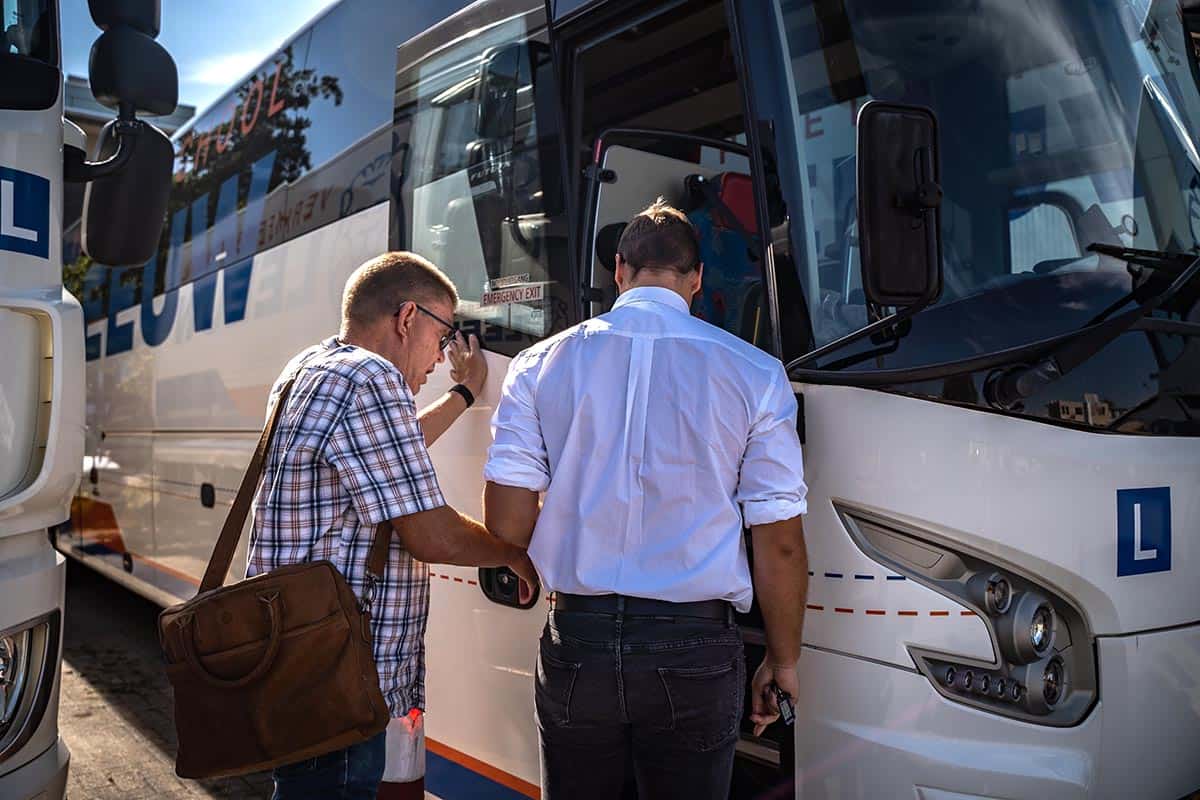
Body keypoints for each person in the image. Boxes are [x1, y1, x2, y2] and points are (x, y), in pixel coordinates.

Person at [482, 198, 810, 800]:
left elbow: (506, 526)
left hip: (577, 639)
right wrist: (781, 662)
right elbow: (780, 543)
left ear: (618, 270)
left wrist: (531, 562)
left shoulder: (535, 365)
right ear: (697, 280)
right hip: (695, 651)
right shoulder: (756, 374)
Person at [248, 251, 536, 800]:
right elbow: (432, 535)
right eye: (444, 332)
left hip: (298, 671)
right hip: (341, 683)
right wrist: (512, 553)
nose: (441, 354)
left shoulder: (308, 369)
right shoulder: (372, 378)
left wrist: (463, 395)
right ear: (407, 319)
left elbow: (385, 459)